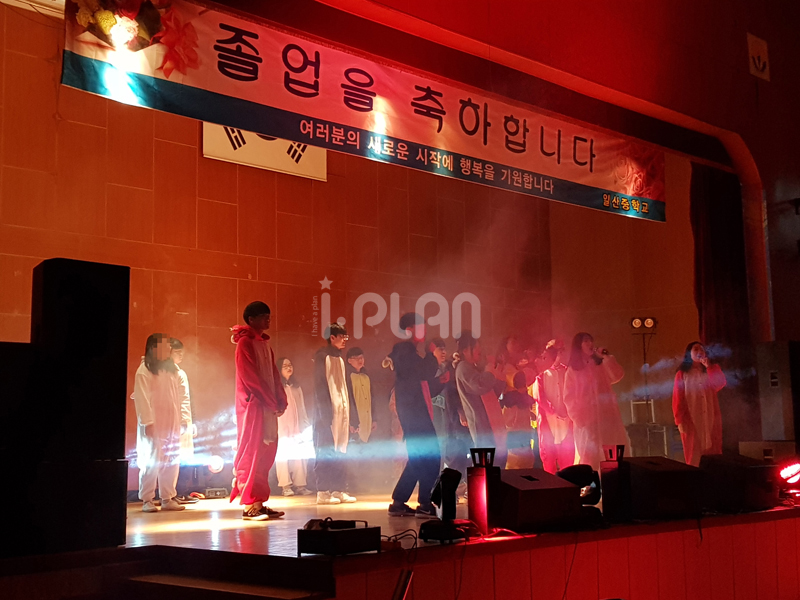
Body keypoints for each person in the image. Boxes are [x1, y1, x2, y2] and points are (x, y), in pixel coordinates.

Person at [230, 301, 287, 521]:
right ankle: (249, 506)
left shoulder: (264, 344)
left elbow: (274, 374)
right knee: (251, 452)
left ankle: (259, 502)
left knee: (266, 453)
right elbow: (249, 377)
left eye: (269, 316)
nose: (268, 320)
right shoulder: (244, 343)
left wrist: (280, 399)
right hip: (254, 407)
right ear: (251, 319)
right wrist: (269, 400)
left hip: (267, 405)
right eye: (263, 316)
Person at [386, 312, 440, 518]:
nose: (424, 331)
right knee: (430, 455)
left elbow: (420, 380)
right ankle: (425, 502)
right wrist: (431, 355)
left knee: (418, 457)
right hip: (413, 412)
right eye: (421, 327)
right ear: (409, 330)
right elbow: (423, 372)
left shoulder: (405, 351)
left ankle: (399, 502)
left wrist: (440, 381)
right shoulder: (404, 351)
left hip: (413, 411)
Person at [133, 333, 187, 512]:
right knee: (151, 460)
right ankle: (147, 499)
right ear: (153, 348)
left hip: (171, 422)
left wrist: (183, 419)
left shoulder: (173, 370)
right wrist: (147, 422)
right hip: (154, 423)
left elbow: (181, 396)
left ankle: (167, 497)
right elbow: (141, 398)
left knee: (171, 459)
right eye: (164, 346)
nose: (168, 349)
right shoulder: (144, 370)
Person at [563, 332, 628, 470]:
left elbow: (617, 375)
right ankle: (592, 482)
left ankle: (612, 481)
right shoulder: (573, 371)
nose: (590, 344)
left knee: (611, 455)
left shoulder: (600, 365)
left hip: (607, 418)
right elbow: (569, 397)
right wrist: (579, 418)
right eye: (586, 341)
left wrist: (607, 357)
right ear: (579, 345)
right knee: (590, 457)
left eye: (591, 341)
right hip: (587, 421)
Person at [313, 323, 358, 505]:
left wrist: (350, 415)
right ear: (332, 337)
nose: (345, 340)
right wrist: (324, 412)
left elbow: (345, 387)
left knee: (341, 448)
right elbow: (320, 386)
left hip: (342, 410)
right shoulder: (322, 357)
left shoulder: (339, 358)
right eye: (342, 337)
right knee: (325, 450)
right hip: (327, 412)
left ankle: (338, 489)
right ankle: (323, 491)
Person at [454, 331, 508, 469]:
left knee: (496, 464)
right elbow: (480, 385)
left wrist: (498, 373)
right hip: (482, 425)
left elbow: (493, 393)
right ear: (465, 350)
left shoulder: (476, 368)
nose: (479, 350)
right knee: (485, 466)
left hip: (492, 424)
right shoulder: (463, 368)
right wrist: (489, 371)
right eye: (475, 347)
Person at [672, 342, 727, 467]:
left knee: (713, 454)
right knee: (693, 455)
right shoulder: (682, 374)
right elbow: (677, 398)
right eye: (696, 349)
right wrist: (679, 421)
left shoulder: (710, 370)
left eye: (702, 349)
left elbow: (720, 384)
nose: (700, 351)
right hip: (691, 420)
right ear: (689, 353)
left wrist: (709, 367)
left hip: (710, 418)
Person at [428, 337, 470, 489]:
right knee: (437, 450)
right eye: (440, 349)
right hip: (435, 417)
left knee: (451, 450)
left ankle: (450, 486)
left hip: (449, 417)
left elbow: (453, 392)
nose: (443, 352)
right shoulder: (429, 371)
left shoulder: (448, 368)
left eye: (444, 348)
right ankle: (435, 486)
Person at [533, 340, 576, 474]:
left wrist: (567, 411)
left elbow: (573, 394)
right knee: (548, 457)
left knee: (567, 458)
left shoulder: (568, 372)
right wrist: (553, 411)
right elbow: (540, 398)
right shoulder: (541, 376)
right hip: (549, 421)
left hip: (566, 420)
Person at [276, 357, 312, 496]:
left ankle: (300, 485)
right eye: (285, 366)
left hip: (297, 426)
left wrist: (305, 425)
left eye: (290, 365)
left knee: (300, 455)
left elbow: (301, 407)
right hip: (282, 425)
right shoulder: (277, 387)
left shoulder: (296, 387)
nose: (288, 368)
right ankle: (285, 485)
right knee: (283, 456)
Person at [170, 338, 199, 503]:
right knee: (174, 458)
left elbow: (188, 399)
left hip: (185, 422)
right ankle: (172, 492)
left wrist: (192, 421)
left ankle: (183, 490)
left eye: (182, 352)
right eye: (177, 352)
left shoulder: (181, 373)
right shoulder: (166, 375)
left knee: (187, 457)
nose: (180, 355)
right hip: (173, 422)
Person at [501, 370, 535, 469]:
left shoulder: (510, 400)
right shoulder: (519, 400)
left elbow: (507, 422)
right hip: (521, 435)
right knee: (523, 464)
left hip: (515, 436)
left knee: (516, 464)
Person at [346, 347, 377, 442]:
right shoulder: (347, 377)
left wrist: (374, 419)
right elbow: (348, 400)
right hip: (355, 424)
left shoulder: (366, 376)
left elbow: (372, 398)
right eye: (356, 358)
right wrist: (352, 422)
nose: (360, 360)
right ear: (349, 361)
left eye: (361, 357)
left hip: (367, 421)